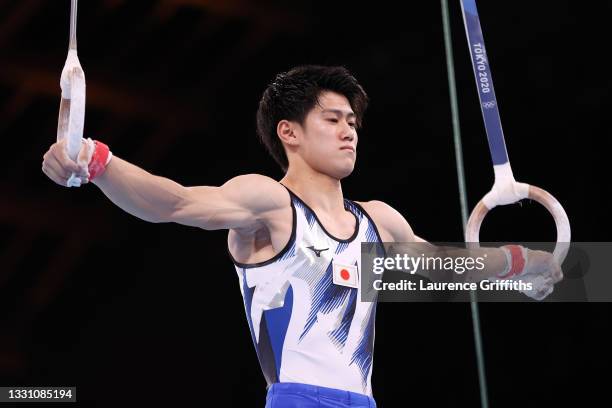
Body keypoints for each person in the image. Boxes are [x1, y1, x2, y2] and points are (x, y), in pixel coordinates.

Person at [42, 65, 562, 407]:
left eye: (353, 121)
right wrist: (95, 161)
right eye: (333, 119)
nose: (349, 131)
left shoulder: (378, 220)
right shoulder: (269, 203)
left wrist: (528, 263)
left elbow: (447, 268)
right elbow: (174, 202)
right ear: (288, 132)